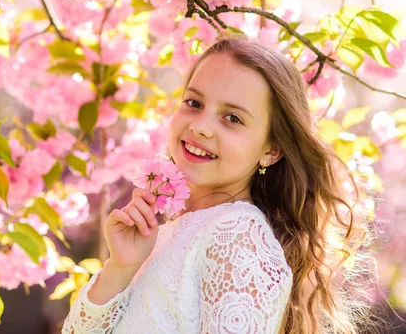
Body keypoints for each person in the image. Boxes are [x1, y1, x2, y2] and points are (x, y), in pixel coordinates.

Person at [62, 37, 377, 333]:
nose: (200, 127)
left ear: (271, 150)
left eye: (233, 118)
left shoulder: (238, 237)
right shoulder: (178, 232)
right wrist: (121, 268)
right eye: (194, 103)